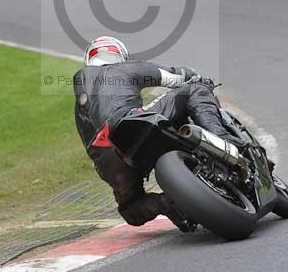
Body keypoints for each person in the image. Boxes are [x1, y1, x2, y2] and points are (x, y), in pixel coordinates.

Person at [72, 35, 239, 229]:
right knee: (194, 89)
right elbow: (174, 76)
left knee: (130, 209)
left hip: (107, 159)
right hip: (132, 124)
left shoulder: (79, 107)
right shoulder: (122, 68)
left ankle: (166, 204)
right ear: (119, 55)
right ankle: (225, 139)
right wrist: (197, 77)